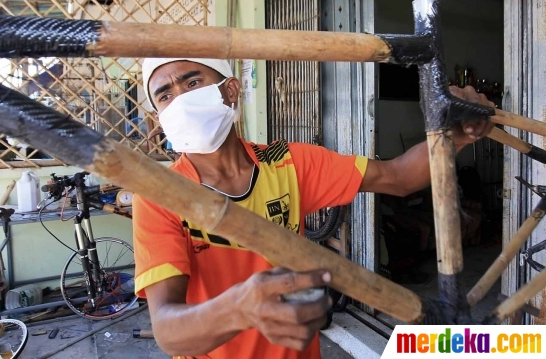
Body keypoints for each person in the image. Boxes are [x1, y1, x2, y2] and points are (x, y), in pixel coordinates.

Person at [132, 58, 494, 359]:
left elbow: (397, 177)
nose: (179, 100)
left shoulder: (286, 162)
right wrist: (239, 309)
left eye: (191, 82)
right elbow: (168, 330)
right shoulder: (161, 194)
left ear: (229, 90)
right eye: (164, 96)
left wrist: (455, 135)